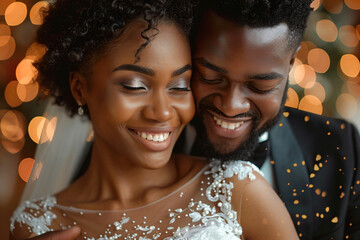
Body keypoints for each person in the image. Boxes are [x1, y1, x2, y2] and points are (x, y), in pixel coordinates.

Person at [10, 0, 299, 239]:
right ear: (79, 88)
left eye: (179, 86)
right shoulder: (36, 225)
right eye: (135, 86)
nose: (162, 112)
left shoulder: (237, 189)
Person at [174, 0, 360, 239]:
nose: (231, 106)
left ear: (291, 62)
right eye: (210, 77)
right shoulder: (143, 146)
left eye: (259, 86)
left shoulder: (339, 149)